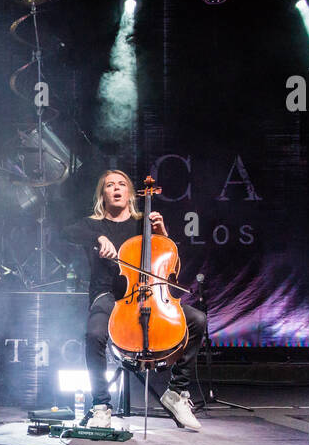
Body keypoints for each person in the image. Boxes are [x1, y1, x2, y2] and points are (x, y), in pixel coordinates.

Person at [64, 168, 206, 431]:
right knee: (94, 335)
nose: (116, 188)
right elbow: (67, 232)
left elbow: (166, 261)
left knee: (197, 320)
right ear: (103, 194)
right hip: (109, 296)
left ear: (129, 192)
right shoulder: (92, 225)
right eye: (109, 185)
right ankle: (101, 405)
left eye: (121, 184)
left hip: (148, 294)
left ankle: (176, 392)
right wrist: (99, 236)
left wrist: (161, 233)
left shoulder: (143, 225)